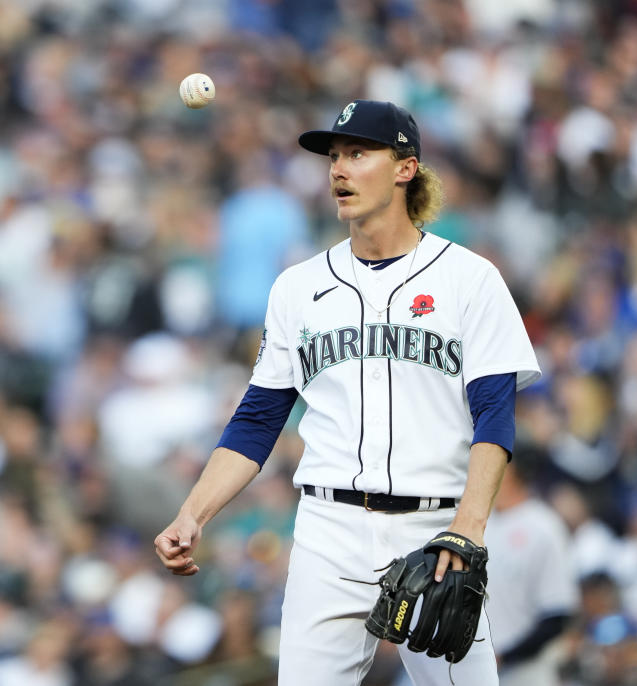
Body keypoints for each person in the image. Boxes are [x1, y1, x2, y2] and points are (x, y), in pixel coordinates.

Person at [153, 100, 541, 686]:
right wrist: (193, 512)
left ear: (405, 167)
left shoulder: (470, 279)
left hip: (432, 532)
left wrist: (470, 525)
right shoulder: (298, 287)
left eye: (358, 154)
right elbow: (257, 420)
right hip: (326, 533)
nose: (338, 169)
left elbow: (494, 415)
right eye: (334, 156)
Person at [484, 456, 578, 686]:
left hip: (526, 674)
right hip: (475, 670)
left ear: (512, 469)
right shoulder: (478, 522)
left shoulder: (544, 526)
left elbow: (558, 614)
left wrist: (504, 657)